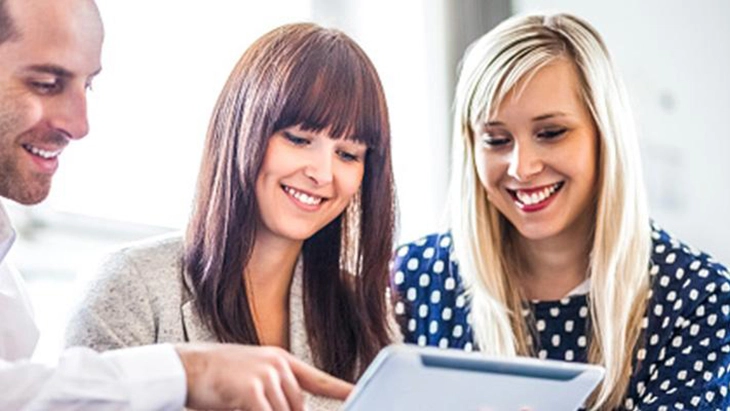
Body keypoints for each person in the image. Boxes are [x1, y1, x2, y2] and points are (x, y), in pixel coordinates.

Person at [0, 0, 352, 409]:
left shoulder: (362, 305)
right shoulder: (133, 285)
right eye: (45, 83)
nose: (80, 125)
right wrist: (186, 371)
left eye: (88, 85)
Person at [391, 12, 730, 410]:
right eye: (497, 140)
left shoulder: (698, 300)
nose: (522, 167)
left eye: (550, 133)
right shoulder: (415, 280)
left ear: (606, 136)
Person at [65, 22, 398, 410]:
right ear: (242, 129)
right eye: (298, 139)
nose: (323, 174)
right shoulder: (131, 287)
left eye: (348, 154)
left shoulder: (362, 309)